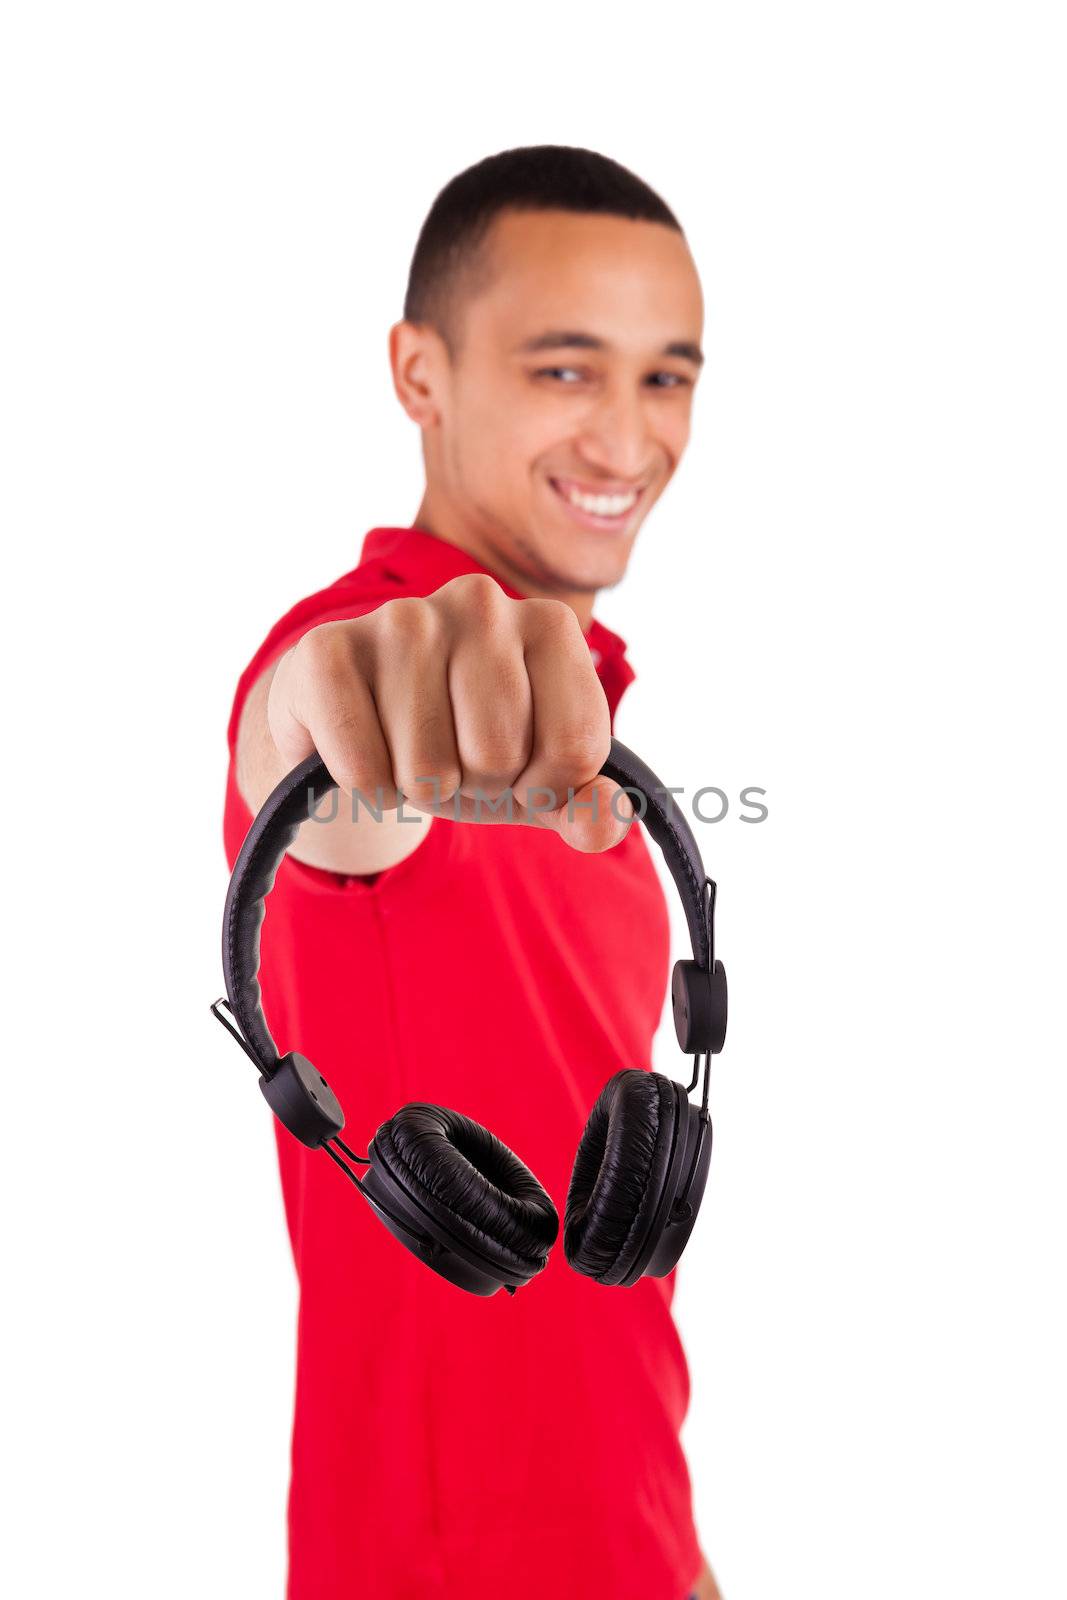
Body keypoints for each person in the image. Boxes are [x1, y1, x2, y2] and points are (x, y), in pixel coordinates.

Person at [224, 144, 723, 1600]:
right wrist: (348, 709)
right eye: (567, 371)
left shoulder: (586, 747)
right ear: (420, 373)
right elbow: (310, 772)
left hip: (639, 1547)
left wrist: (681, 1561)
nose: (629, 441)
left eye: (666, 376)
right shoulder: (361, 659)